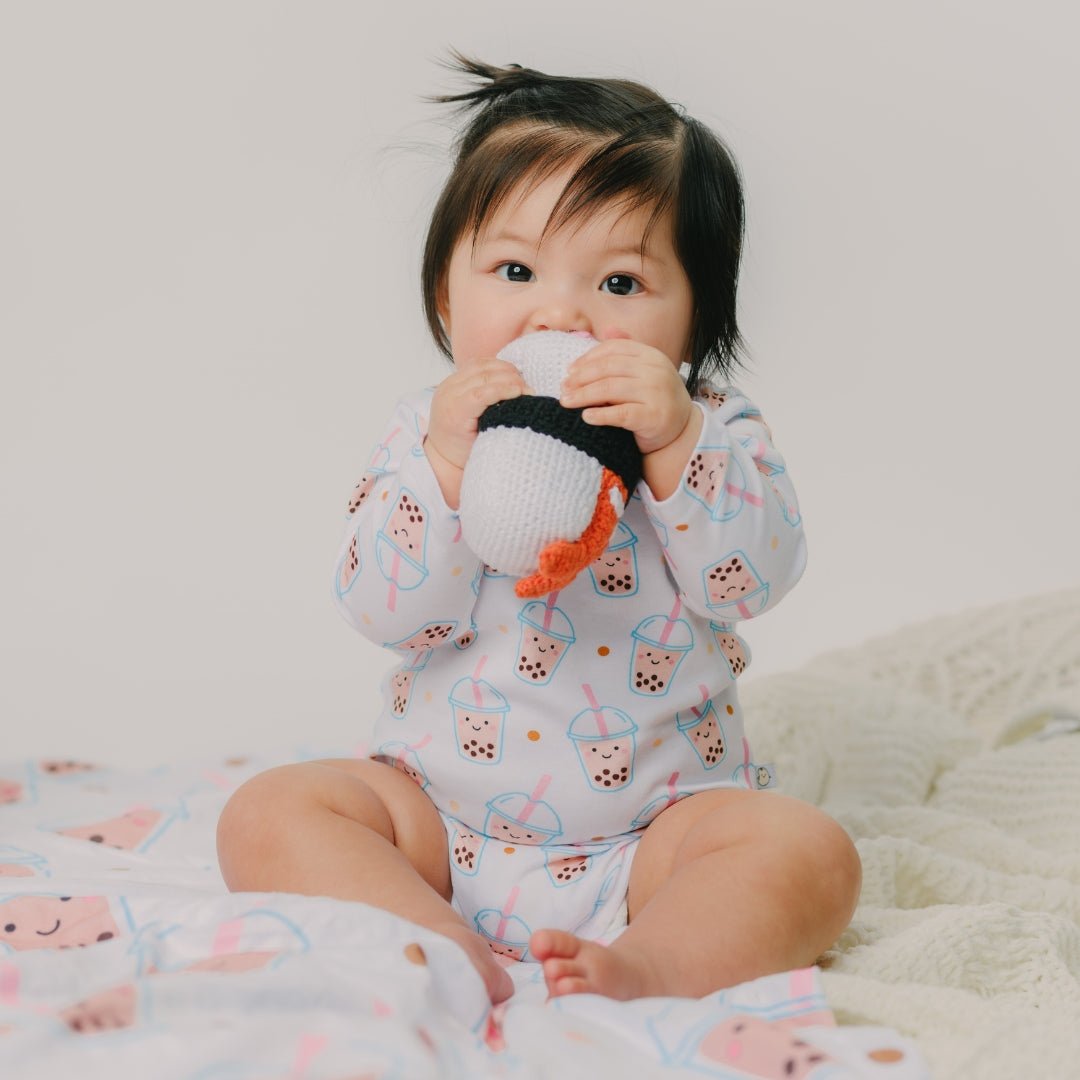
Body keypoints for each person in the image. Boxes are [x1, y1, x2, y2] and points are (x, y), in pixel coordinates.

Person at [216, 55, 861, 1006]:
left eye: (622, 283)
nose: (560, 313)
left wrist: (677, 442)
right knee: (268, 812)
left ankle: (653, 963)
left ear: (695, 325)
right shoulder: (426, 432)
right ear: (447, 295)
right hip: (437, 820)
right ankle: (425, 932)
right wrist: (443, 468)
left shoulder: (713, 432)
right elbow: (386, 613)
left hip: (655, 833)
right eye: (514, 270)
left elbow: (747, 586)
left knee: (808, 853)